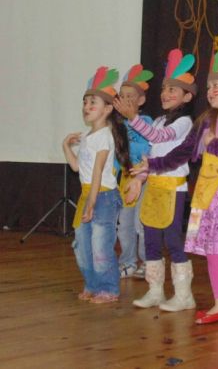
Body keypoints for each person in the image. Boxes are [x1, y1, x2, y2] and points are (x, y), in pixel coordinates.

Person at [137, 47, 218, 332]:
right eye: (208, 87)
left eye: (216, 85)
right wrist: (153, 164)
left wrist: (215, 145)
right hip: (206, 195)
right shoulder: (205, 121)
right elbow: (182, 152)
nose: (210, 91)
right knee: (210, 250)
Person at [114, 48, 196, 312]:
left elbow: (160, 138)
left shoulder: (184, 122)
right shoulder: (159, 120)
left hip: (174, 190)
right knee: (150, 240)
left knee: (172, 241)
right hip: (154, 188)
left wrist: (133, 118)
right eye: (164, 89)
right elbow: (150, 156)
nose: (166, 94)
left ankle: (184, 295)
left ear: (187, 96)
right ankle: (155, 291)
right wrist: (138, 180)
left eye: (173, 90)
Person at [63, 66, 129, 303]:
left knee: (101, 246)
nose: (87, 106)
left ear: (108, 109)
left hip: (103, 197)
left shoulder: (105, 136)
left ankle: (109, 289)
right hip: (88, 194)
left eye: (93, 102)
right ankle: (92, 285)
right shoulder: (88, 137)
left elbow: (98, 171)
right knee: (83, 246)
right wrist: (66, 146)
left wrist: (91, 203)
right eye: (85, 102)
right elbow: (77, 168)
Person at [116, 65, 153, 279]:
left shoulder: (146, 122)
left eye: (130, 96)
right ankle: (127, 262)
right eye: (122, 96)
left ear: (141, 100)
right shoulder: (117, 125)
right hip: (125, 179)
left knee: (142, 222)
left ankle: (147, 261)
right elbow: (115, 155)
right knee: (124, 224)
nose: (125, 100)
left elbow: (147, 148)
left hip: (144, 179)